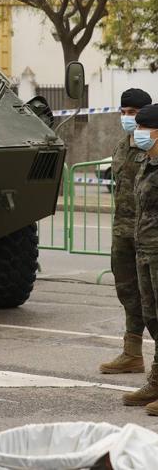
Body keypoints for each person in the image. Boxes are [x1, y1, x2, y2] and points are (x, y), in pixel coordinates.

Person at [100, 88, 152, 374]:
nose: (126, 118)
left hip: (148, 234)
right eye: (123, 113)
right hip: (123, 232)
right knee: (128, 291)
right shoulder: (122, 146)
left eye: (131, 113)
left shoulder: (152, 146)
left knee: (152, 297)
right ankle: (132, 352)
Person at [123, 103, 158, 414]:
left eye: (145, 128)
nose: (139, 133)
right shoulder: (148, 164)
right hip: (145, 249)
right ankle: (157, 381)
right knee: (152, 317)